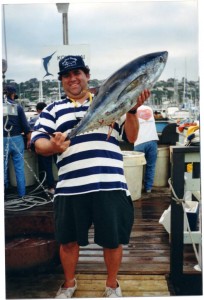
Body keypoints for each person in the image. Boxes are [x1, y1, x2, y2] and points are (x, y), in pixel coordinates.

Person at [31, 55, 150, 298]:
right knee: (67, 241)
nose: (73, 78)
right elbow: (37, 142)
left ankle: (112, 285)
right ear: (62, 81)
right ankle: (68, 284)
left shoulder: (112, 100)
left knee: (113, 240)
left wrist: (132, 110)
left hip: (110, 184)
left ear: (87, 75)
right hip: (70, 188)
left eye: (77, 73)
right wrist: (53, 146)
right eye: (67, 75)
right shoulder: (53, 109)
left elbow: (132, 137)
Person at [3, 85, 31, 197]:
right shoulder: (18, 107)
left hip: (2, 139)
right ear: (12, 94)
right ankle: (22, 194)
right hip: (17, 139)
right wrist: (29, 140)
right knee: (19, 168)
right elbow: (26, 126)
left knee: (3, 168)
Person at [29, 102, 55, 194]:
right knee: (58, 164)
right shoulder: (54, 117)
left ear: (37, 110)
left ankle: (48, 186)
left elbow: (29, 130)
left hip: (44, 145)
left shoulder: (35, 119)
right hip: (55, 143)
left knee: (46, 166)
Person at [134, 104, 159, 193]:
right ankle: (148, 188)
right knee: (151, 166)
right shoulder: (149, 108)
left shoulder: (133, 109)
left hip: (139, 141)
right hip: (152, 140)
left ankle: (136, 189)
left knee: (136, 167)